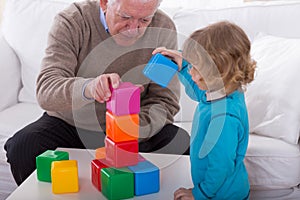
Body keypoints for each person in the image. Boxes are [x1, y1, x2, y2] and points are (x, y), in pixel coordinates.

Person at [4, 0, 190, 186]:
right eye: (125, 17)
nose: (133, 29)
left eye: (144, 20)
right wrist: (89, 88)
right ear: (104, 3)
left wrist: (130, 128)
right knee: (24, 146)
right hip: (72, 125)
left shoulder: (163, 28)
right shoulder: (73, 21)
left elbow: (164, 100)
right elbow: (47, 90)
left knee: (184, 145)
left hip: (133, 127)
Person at [153, 21, 256, 199]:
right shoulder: (223, 92)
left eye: (195, 67)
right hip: (218, 189)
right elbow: (199, 93)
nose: (191, 72)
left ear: (219, 72)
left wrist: (199, 194)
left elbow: (221, 166)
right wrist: (183, 65)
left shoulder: (224, 118)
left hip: (222, 195)